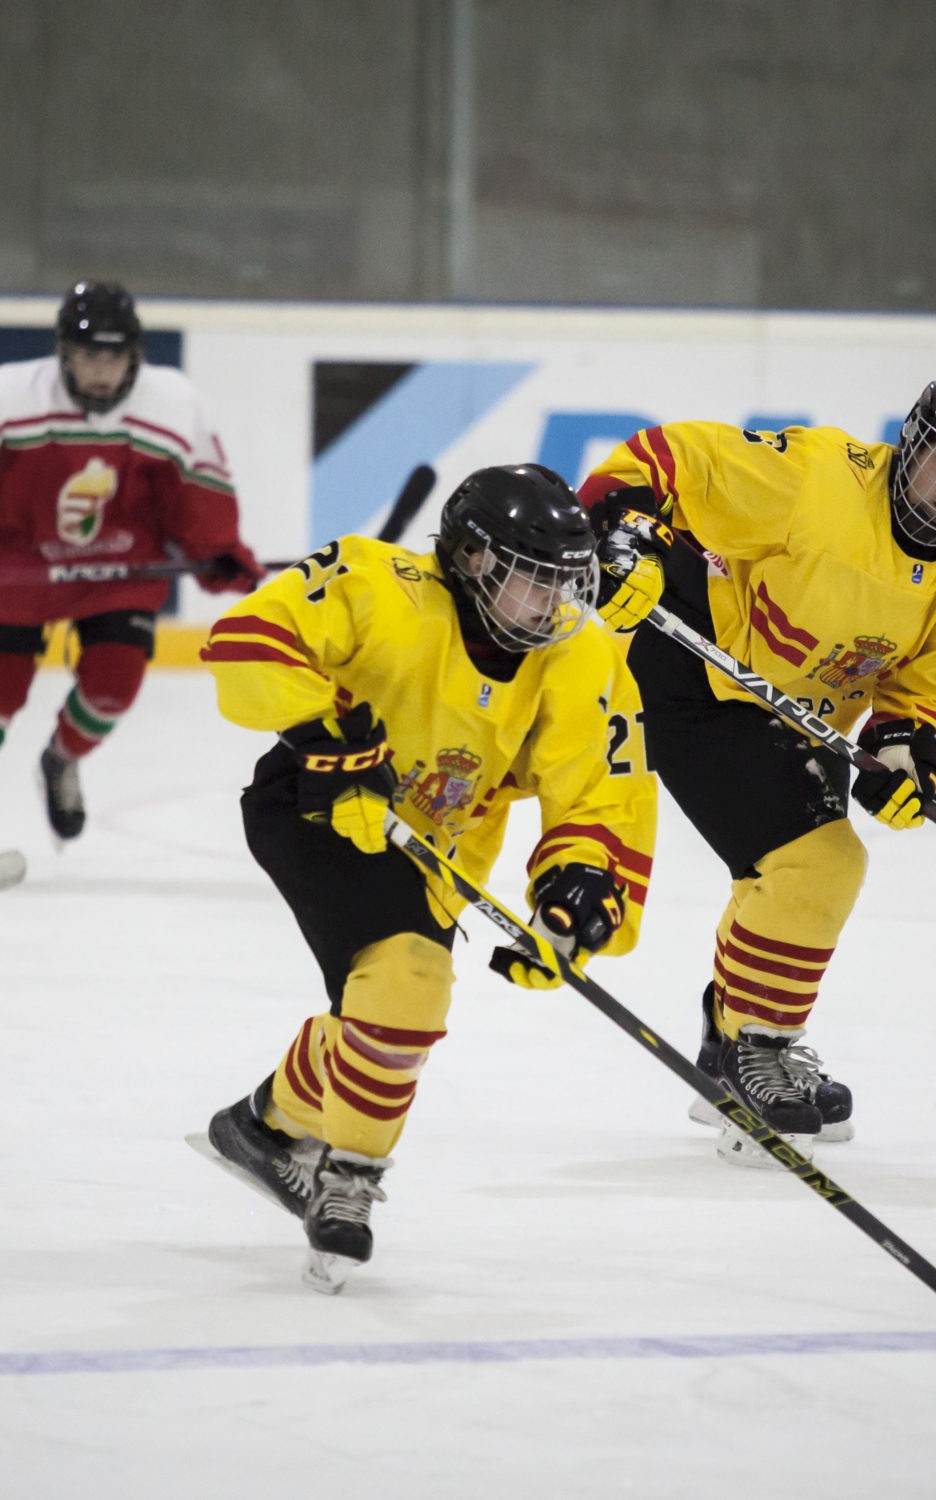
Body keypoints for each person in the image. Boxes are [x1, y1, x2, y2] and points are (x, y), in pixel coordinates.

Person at [195, 465, 657, 1292]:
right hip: (314, 808)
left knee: (383, 1008)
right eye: (536, 583)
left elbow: (598, 786)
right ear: (475, 561)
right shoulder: (380, 583)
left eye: (566, 585)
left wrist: (579, 886)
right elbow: (246, 640)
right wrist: (324, 731)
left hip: (436, 847)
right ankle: (350, 1178)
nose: (556, 607)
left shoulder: (578, 654)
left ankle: (266, 1127)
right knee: (409, 979)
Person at [577, 364, 936, 1165]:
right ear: (912, 443)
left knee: (802, 872)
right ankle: (754, 1047)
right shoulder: (817, 479)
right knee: (817, 861)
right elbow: (675, 460)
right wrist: (621, 530)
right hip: (691, 666)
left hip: (797, 711)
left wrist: (910, 750)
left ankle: (738, 1051)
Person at [0, 280, 262, 855]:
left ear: (135, 356)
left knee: (114, 687)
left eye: (114, 357)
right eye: (90, 355)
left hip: (119, 569)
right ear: (64, 352)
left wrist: (215, 548)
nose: (101, 371)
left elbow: (196, 497)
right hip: (17, 567)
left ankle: (61, 758)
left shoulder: (172, 402)